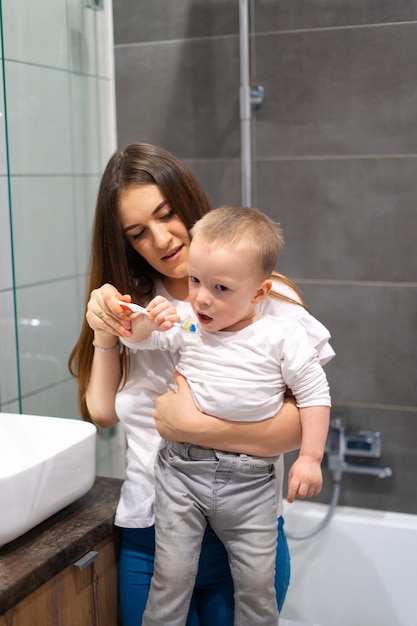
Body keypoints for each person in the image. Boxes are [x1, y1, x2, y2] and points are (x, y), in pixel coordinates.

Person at [68, 143, 335, 626]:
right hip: (150, 531)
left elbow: (299, 426)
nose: (161, 238)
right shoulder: (141, 310)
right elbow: (102, 413)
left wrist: (192, 427)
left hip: (244, 525)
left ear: (188, 202)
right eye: (138, 232)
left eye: (166, 214)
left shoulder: (269, 297)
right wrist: (106, 331)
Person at [120, 206, 331, 626]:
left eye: (220, 288)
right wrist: (140, 325)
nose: (201, 296)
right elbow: (142, 343)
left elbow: (314, 393)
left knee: (256, 585)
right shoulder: (189, 323)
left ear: (258, 293)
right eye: (195, 280)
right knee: (171, 576)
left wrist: (310, 457)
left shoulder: (279, 335)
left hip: (251, 482)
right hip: (180, 472)